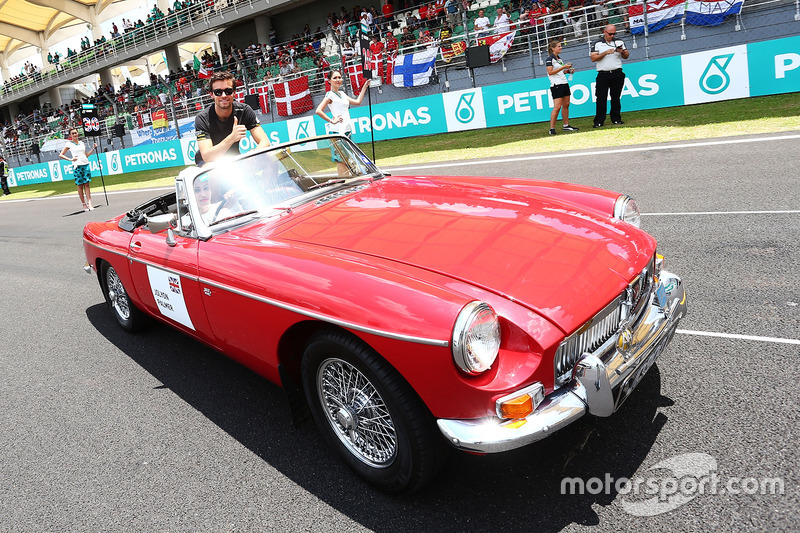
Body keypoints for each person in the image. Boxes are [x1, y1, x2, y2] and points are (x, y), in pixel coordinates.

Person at [194, 70, 270, 164]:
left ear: (234, 92)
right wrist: (232, 138)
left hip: (234, 160)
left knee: (270, 157)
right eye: (218, 92)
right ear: (211, 95)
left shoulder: (244, 110)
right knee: (214, 173)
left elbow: (265, 142)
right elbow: (207, 157)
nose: (224, 95)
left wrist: (253, 154)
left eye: (228, 91)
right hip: (210, 163)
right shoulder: (202, 118)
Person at [314, 69, 370, 175]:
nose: (338, 79)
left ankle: (347, 182)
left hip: (347, 130)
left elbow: (357, 102)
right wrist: (332, 120)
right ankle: (344, 184)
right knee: (342, 161)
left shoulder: (342, 94)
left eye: (339, 77)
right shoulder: (329, 95)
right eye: (335, 78)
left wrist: (364, 87)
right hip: (337, 132)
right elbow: (318, 110)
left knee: (350, 158)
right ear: (329, 81)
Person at [590, 24, 629, 127]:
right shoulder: (597, 43)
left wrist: (622, 52)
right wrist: (605, 53)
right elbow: (593, 58)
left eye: (614, 34)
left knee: (616, 97)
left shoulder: (619, 42)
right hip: (603, 74)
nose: (612, 36)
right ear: (605, 32)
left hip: (617, 72)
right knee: (601, 98)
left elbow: (626, 56)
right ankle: (599, 121)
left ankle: (616, 118)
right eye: (610, 34)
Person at [59, 127, 97, 211]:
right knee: (80, 185)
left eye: (75, 133)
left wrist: (93, 149)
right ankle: (83, 204)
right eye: (73, 133)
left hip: (85, 164)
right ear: (70, 135)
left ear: (77, 133)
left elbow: (86, 155)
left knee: (87, 184)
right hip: (77, 166)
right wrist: (71, 159)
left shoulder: (82, 143)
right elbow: (61, 154)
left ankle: (89, 202)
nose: (75, 135)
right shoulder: (69, 144)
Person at [545, 40, 579, 135]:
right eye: (559, 46)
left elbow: (559, 71)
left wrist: (567, 71)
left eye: (561, 46)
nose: (561, 48)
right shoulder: (549, 59)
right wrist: (563, 67)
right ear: (553, 48)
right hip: (556, 85)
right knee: (557, 107)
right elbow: (550, 72)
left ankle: (566, 126)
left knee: (566, 104)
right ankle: (552, 128)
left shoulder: (559, 59)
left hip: (564, 83)